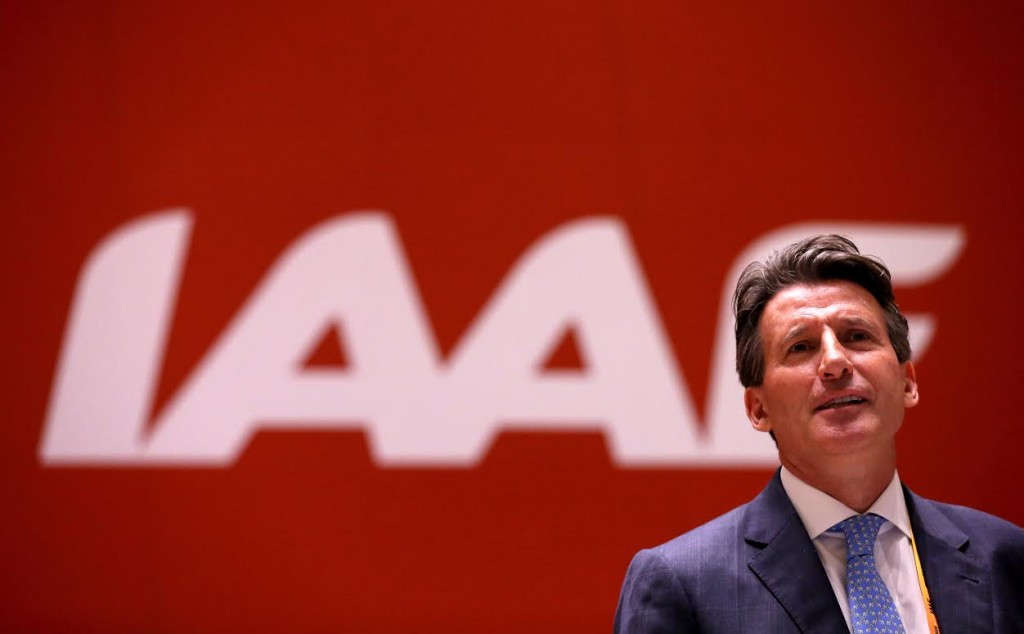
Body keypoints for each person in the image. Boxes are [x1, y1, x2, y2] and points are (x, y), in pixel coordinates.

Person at [613, 235, 1024, 633]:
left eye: (857, 337)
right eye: (801, 347)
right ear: (759, 409)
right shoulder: (683, 584)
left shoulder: (1005, 558)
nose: (836, 362)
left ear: (908, 383)